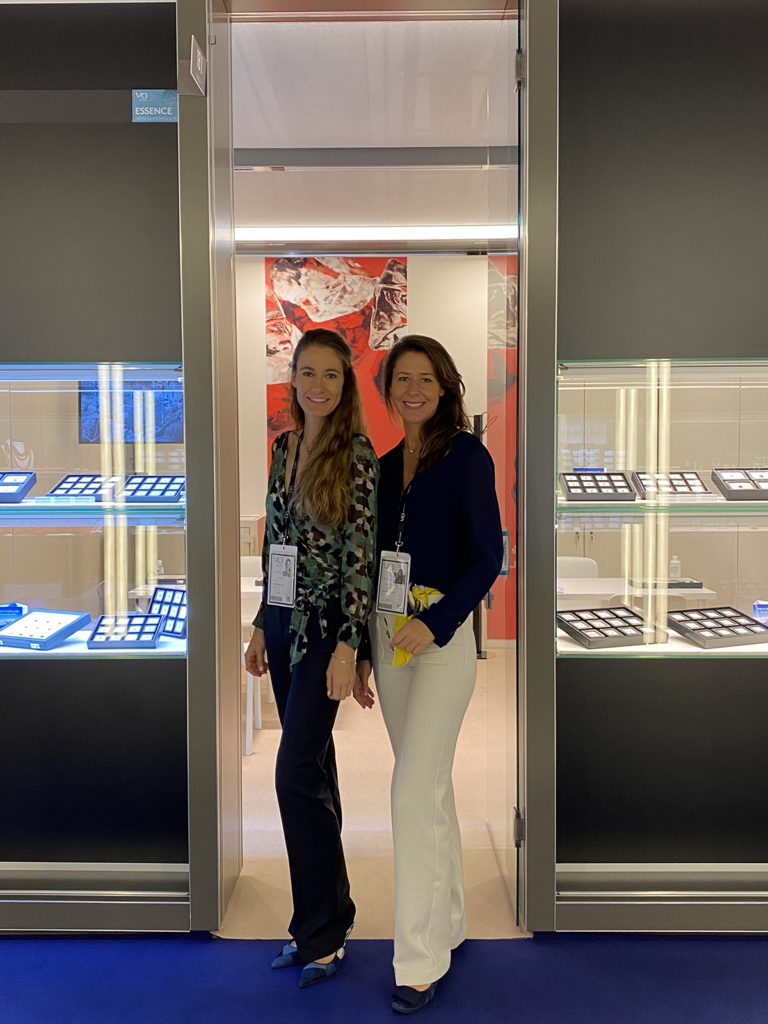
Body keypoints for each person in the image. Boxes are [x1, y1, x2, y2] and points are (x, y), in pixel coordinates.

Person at [355, 334, 503, 1014]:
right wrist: (363, 649)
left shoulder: (468, 456)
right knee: (431, 787)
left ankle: (416, 960)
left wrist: (437, 622)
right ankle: (450, 921)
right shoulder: (384, 467)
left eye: (426, 379)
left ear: (444, 387)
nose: (413, 389)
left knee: (410, 792)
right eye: (401, 379)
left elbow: (488, 557)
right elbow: (369, 566)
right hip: (390, 644)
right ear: (388, 391)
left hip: (438, 643)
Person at [244, 328, 378, 989]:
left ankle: (321, 931)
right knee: (315, 773)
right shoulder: (283, 448)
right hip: (281, 624)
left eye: (331, 374)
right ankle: (328, 920)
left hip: (328, 631)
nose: (318, 384)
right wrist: (256, 625)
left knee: (293, 773)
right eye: (308, 373)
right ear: (292, 380)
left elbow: (361, 558)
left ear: (344, 383)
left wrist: (350, 645)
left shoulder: (357, 454)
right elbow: (277, 546)